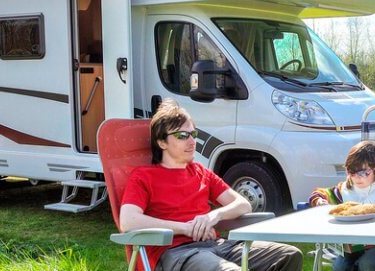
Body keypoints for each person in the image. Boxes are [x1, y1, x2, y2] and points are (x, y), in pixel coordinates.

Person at [119, 99, 302, 271]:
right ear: (161, 142)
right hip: (177, 253)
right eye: (182, 135)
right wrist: (186, 228)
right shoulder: (144, 176)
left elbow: (243, 204)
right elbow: (128, 221)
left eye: (193, 134)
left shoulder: (200, 172)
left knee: (289, 255)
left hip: (216, 245)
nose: (192, 141)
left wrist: (213, 216)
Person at [308, 140, 375, 271]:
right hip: (354, 244)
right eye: (351, 171)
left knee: (366, 264)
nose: (357, 177)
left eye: (363, 172)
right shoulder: (345, 189)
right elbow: (320, 193)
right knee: (340, 266)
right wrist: (319, 200)